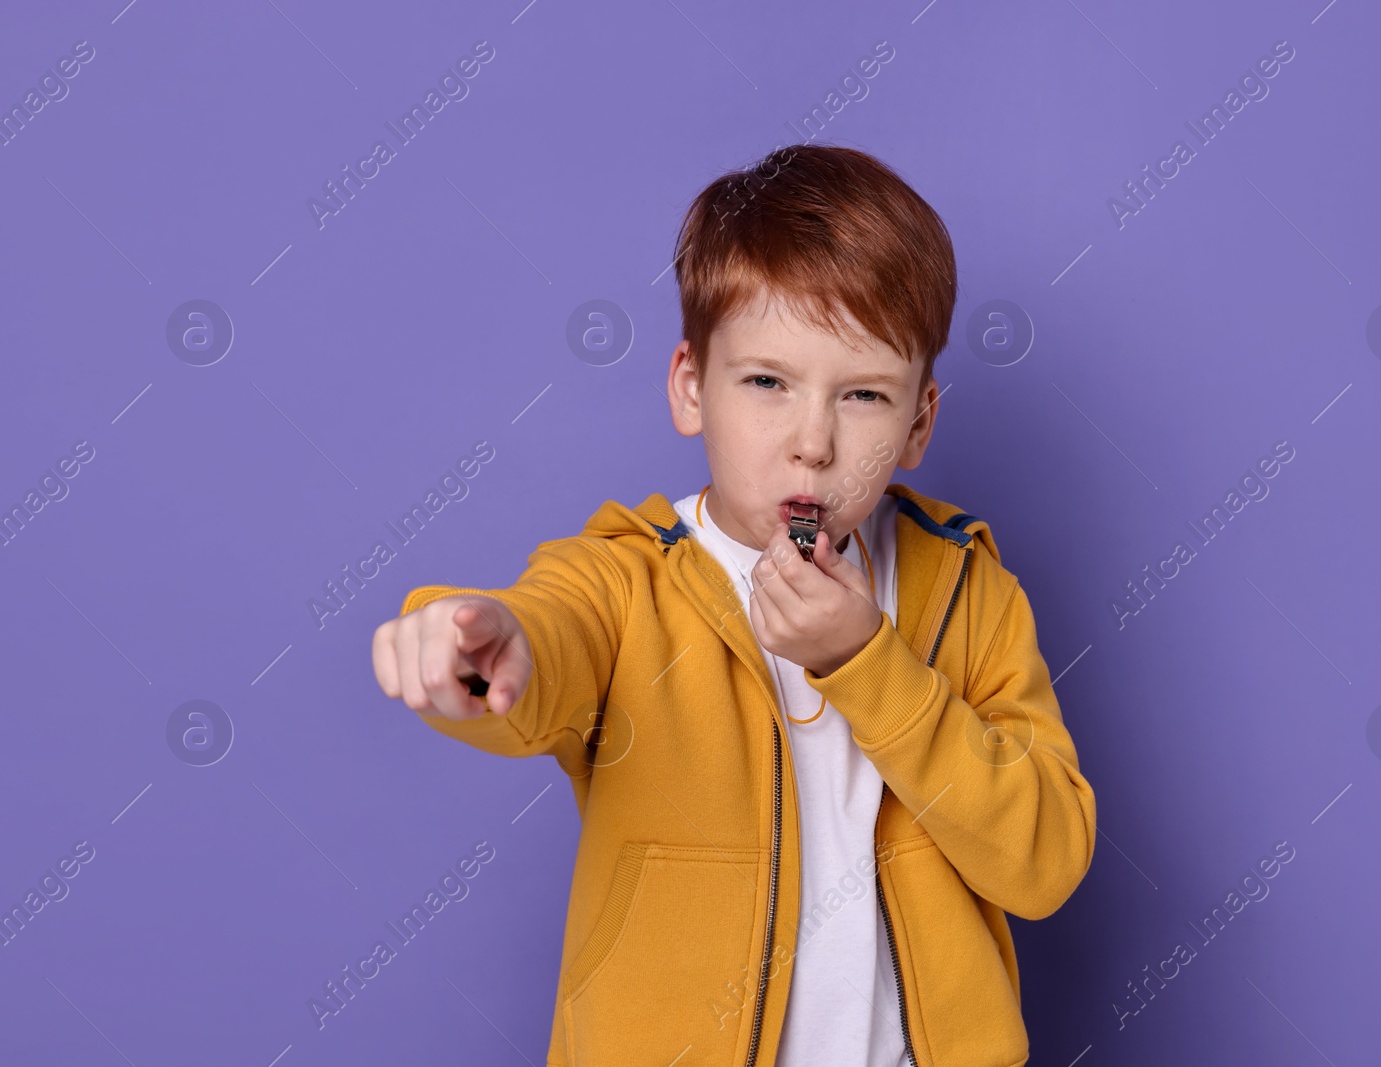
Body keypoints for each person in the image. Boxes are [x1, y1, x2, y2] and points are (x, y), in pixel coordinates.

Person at [370, 143, 1096, 1067]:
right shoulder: (629, 580)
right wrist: (483, 640)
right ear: (689, 387)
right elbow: (549, 632)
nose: (813, 443)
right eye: (767, 382)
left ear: (919, 422)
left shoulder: (968, 589)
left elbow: (1044, 862)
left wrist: (867, 662)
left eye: (865, 395)